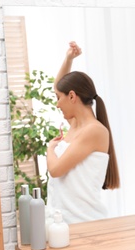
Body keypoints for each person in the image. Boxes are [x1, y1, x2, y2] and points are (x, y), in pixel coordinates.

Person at [46, 41, 120, 224]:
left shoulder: (95, 131)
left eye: (59, 99)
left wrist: (50, 149)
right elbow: (59, 87)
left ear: (72, 96)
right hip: (62, 222)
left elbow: (55, 170)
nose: (56, 103)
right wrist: (68, 59)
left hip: (84, 224)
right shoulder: (75, 125)